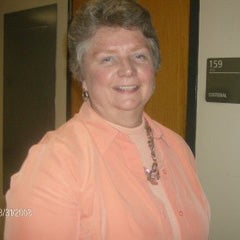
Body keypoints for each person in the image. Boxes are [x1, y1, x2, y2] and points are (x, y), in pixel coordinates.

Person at [4, 0, 210, 239]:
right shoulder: (55, 161)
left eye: (139, 56)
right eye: (107, 59)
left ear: (153, 66)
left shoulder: (177, 147)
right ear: (82, 75)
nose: (127, 70)